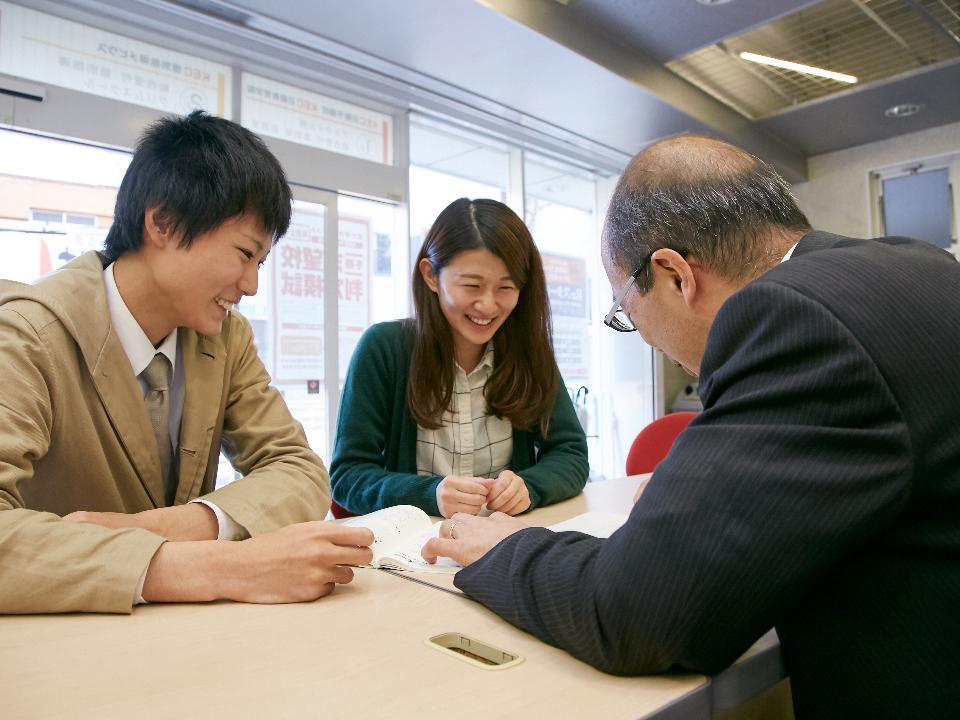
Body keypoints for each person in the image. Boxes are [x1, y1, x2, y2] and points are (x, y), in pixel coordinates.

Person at [422, 136, 960, 718]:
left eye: (628, 315)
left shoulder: (791, 318)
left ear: (675, 275)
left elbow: (639, 614)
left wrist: (504, 548)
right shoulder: (918, 263)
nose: (650, 341)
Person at [0, 111, 372, 614]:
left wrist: (180, 526)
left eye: (259, 262)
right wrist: (221, 566)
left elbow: (300, 469)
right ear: (163, 223)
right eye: (244, 253)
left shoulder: (223, 340)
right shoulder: (27, 336)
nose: (251, 285)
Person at [330, 198, 588, 518]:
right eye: (471, 285)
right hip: (414, 550)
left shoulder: (528, 351)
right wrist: (429, 494)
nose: (488, 306)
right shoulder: (384, 349)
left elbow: (571, 454)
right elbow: (348, 476)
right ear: (431, 276)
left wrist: (529, 486)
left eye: (506, 288)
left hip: (503, 541)